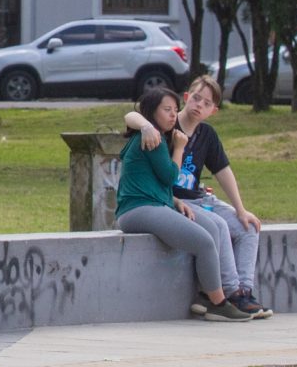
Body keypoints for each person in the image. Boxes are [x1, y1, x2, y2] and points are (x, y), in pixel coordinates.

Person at [114, 87, 252, 321]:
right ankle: (217, 303)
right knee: (205, 242)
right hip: (138, 210)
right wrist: (179, 148)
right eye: (166, 110)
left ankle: (207, 292)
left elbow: (157, 183)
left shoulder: (151, 135)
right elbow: (170, 177)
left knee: (211, 226)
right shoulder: (153, 139)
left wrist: (175, 201)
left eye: (175, 110)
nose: (172, 115)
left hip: (153, 205)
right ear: (151, 113)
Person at [180, 73, 269, 318]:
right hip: (177, 201)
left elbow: (223, 171)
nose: (199, 105)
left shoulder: (206, 135)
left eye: (206, 103)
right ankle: (230, 294)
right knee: (218, 225)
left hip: (199, 198)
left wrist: (240, 209)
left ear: (213, 111)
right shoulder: (169, 126)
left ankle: (245, 292)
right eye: (196, 98)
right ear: (186, 97)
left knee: (248, 227)